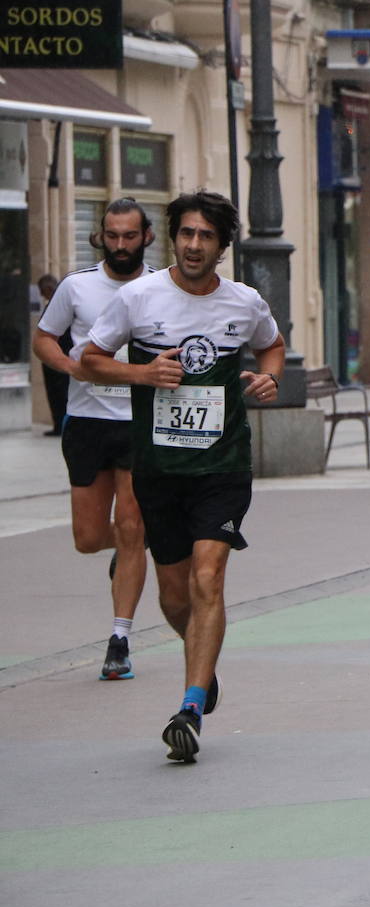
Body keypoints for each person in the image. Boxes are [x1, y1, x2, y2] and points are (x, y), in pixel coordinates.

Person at [82, 190, 285, 761]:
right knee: (175, 597)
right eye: (186, 233)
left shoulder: (243, 302)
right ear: (173, 237)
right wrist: (141, 373)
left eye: (206, 236)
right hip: (158, 469)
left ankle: (191, 704)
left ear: (223, 247)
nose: (194, 245)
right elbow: (90, 359)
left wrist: (270, 378)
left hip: (221, 466)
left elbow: (273, 348)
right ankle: (204, 659)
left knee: (208, 577)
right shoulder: (140, 297)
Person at [33, 200, 153, 681]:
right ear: (100, 236)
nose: (120, 245)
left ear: (145, 236)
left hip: (140, 421)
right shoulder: (77, 286)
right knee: (87, 539)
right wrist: (69, 366)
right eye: (112, 235)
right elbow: (45, 337)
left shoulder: (159, 287)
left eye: (129, 235)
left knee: (129, 523)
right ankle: (131, 548)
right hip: (86, 421)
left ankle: (119, 640)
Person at [34, 274, 67, 436]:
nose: (41, 296)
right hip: (60, 357)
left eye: (42, 291)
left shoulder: (59, 304)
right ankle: (59, 424)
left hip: (59, 357)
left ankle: (60, 424)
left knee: (58, 394)